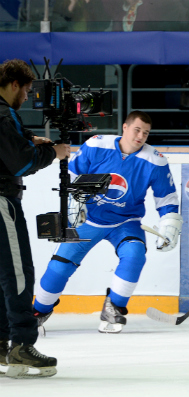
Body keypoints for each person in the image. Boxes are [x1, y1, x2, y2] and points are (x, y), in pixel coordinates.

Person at [33, 111, 183, 334]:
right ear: (125, 127)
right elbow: (72, 175)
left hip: (126, 222)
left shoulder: (155, 160)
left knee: (134, 255)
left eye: (146, 132)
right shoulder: (96, 144)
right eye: (137, 130)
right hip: (88, 219)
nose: (141, 136)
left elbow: (167, 198)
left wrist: (170, 226)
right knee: (59, 266)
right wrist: (77, 200)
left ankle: (114, 307)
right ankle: (38, 311)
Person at [0, 59, 71, 378]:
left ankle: (3, 342)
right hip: (2, 202)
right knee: (17, 273)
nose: (28, 97)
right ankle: (22, 344)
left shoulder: (4, 114)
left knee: (2, 275)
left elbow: (13, 142)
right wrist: (51, 153)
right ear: (13, 85)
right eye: (26, 91)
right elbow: (19, 163)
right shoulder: (3, 113)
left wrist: (32, 141)